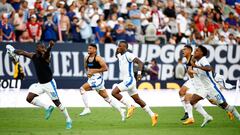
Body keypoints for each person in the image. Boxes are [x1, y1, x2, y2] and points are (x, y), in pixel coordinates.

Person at [6, 41, 72, 129]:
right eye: (42, 47)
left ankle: (68, 119)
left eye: (44, 47)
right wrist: (13, 50)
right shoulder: (34, 56)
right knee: (29, 98)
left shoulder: (46, 56)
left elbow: (46, 54)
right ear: (37, 48)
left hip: (49, 84)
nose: (43, 49)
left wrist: (50, 47)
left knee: (57, 103)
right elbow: (23, 53)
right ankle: (47, 107)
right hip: (40, 84)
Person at [188, 45, 240, 127]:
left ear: (202, 53)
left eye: (197, 50)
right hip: (204, 88)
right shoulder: (197, 61)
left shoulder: (203, 60)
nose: (195, 51)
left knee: (225, 106)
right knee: (192, 101)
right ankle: (207, 117)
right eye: (195, 50)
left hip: (212, 88)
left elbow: (209, 68)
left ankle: (238, 116)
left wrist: (196, 66)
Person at [111, 41, 158, 126]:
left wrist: (139, 74)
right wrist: (117, 49)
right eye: (118, 46)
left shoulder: (128, 55)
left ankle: (130, 105)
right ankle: (153, 115)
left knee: (114, 92)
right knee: (138, 100)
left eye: (120, 46)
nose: (118, 47)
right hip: (128, 81)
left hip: (129, 80)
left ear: (125, 48)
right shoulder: (120, 55)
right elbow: (116, 55)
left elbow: (140, 62)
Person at [79, 44, 126, 121]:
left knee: (82, 89)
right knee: (107, 98)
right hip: (91, 79)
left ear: (95, 50)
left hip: (98, 79)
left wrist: (94, 71)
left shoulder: (98, 58)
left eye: (90, 48)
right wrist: (88, 73)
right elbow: (86, 67)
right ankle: (121, 110)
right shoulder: (86, 58)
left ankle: (87, 108)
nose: (88, 49)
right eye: (88, 48)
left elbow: (105, 68)